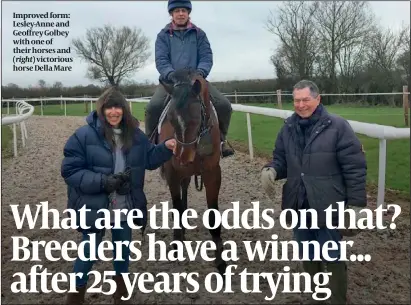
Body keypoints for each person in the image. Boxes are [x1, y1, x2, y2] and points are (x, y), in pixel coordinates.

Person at [61, 86, 176, 304]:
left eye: (118, 107)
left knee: (122, 251)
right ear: (102, 110)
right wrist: (104, 182)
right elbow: (70, 171)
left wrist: (166, 147)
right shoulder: (82, 136)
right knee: (89, 252)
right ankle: (75, 296)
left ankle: (120, 295)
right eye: (109, 108)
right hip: (94, 205)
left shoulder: (136, 135)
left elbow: (149, 159)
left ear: (124, 109)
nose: (114, 112)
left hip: (124, 205)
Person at [260, 80, 367, 304]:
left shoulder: (338, 126)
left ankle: (337, 299)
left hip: (329, 205)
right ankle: (318, 296)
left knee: (332, 255)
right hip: (298, 204)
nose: (301, 105)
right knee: (308, 253)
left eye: (305, 100)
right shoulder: (287, 127)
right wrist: (271, 169)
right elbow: (281, 158)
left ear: (318, 99)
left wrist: (356, 205)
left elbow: (355, 167)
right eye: (297, 100)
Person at [145, 0, 235, 158]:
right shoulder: (163, 35)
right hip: (172, 81)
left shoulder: (199, 34)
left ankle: (222, 141)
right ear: (171, 14)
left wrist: (199, 73)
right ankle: (149, 144)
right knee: (153, 107)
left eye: (184, 10)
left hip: (196, 81)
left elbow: (206, 57)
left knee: (224, 105)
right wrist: (171, 74)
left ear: (188, 13)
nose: (181, 13)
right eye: (177, 10)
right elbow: (161, 60)